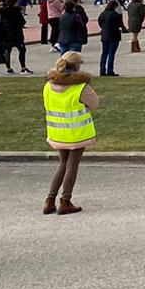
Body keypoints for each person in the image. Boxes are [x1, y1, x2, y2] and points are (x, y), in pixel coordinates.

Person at [42, 51, 99, 215]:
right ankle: (65, 200)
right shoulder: (81, 87)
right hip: (76, 133)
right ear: (77, 67)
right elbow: (94, 104)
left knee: (62, 165)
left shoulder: (48, 86)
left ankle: (50, 200)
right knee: (72, 166)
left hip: (57, 132)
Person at [97, 0, 124, 76]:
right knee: (111, 53)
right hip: (114, 35)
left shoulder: (103, 14)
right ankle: (110, 70)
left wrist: (103, 28)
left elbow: (100, 22)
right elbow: (119, 24)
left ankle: (102, 70)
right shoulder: (115, 14)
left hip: (104, 35)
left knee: (104, 53)